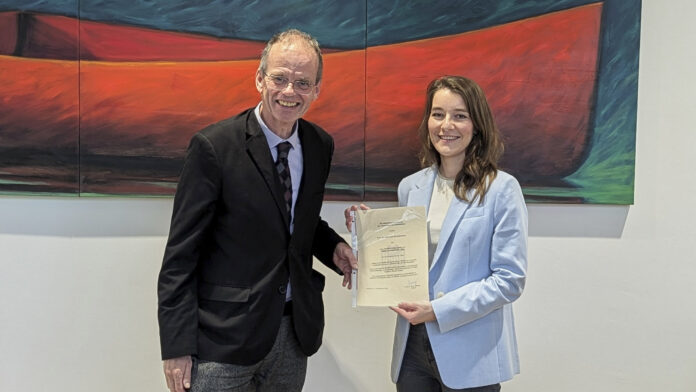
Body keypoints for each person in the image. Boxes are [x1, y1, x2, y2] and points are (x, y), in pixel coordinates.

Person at [158, 29, 357, 392]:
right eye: (279, 78)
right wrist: (176, 347)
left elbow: (298, 222)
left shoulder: (318, 145)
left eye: (302, 83)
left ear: (316, 90)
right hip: (223, 339)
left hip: (292, 335)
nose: (289, 92)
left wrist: (334, 249)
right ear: (259, 78)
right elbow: (180, 257)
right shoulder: (213, 147)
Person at [345, 76, 528, 391]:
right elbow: (405, 263)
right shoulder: (410, 187)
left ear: (477, 125)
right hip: (413, 348)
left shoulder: (502, 189)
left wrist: (438, 310)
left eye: (460, 115)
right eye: (438, 113)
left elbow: (509, 281)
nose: (447, 125)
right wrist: (365, 235)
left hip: (472, 351)